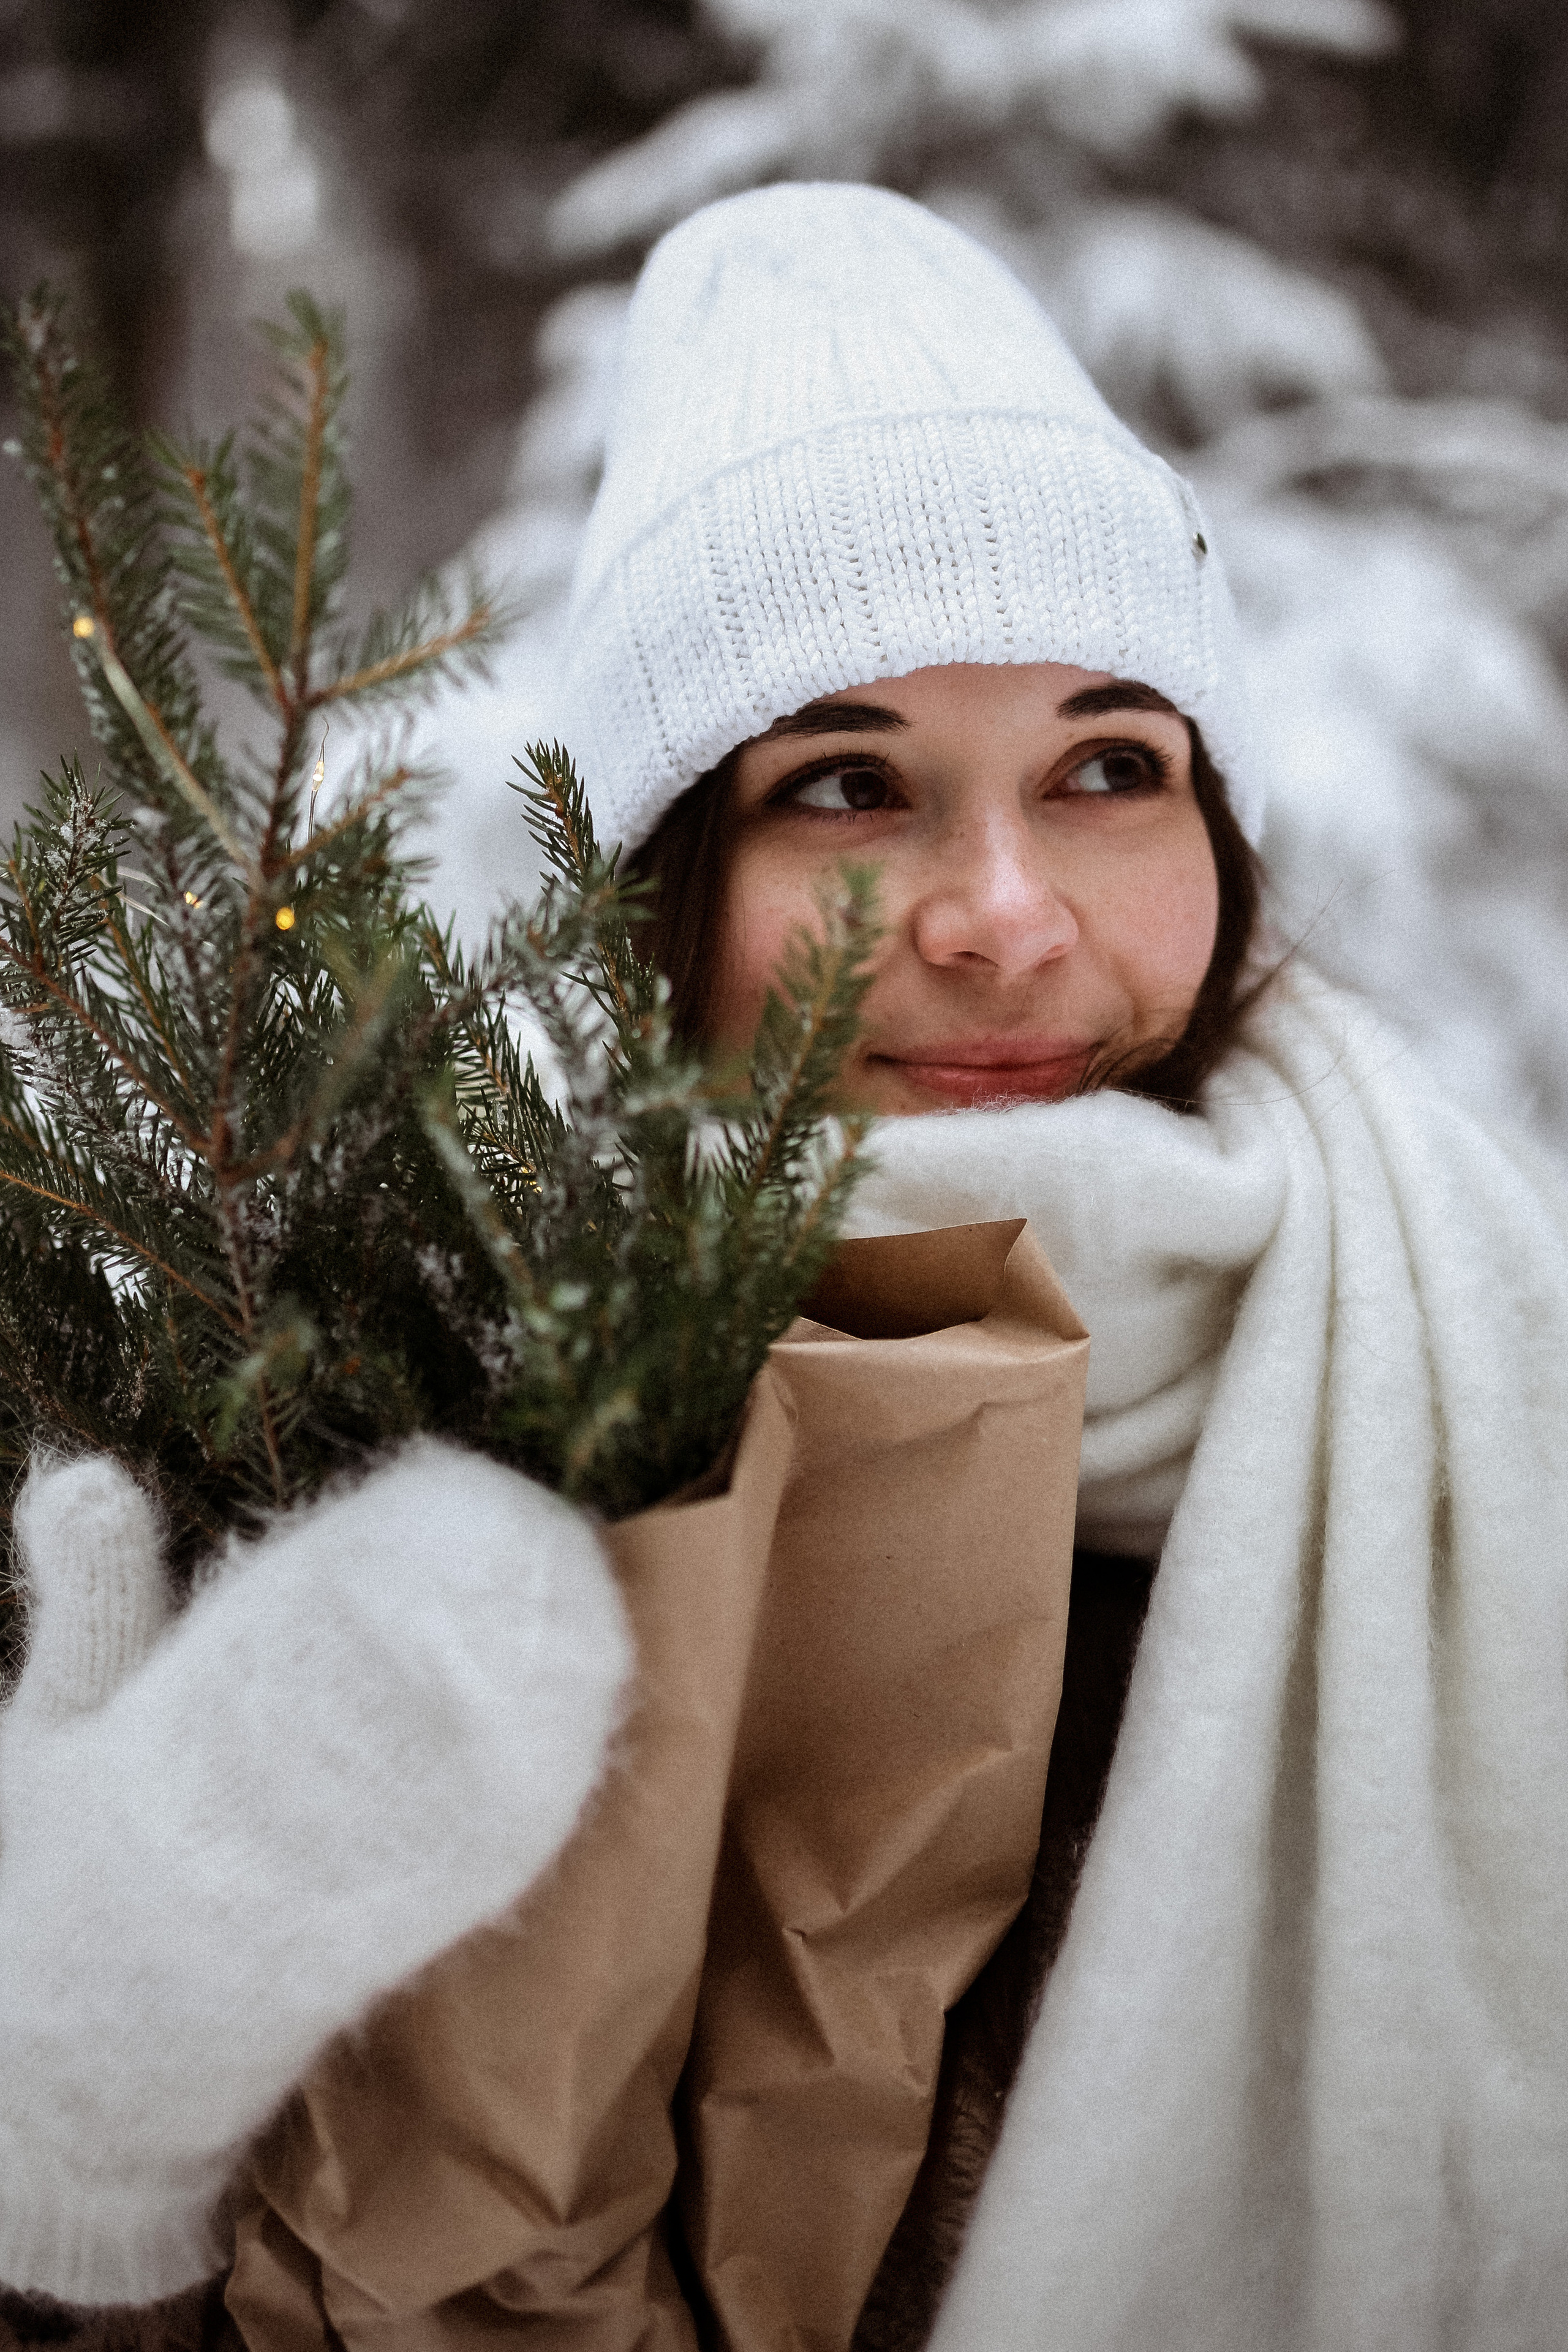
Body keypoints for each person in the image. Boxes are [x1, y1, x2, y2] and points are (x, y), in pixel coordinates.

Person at [5, 179, 1568, 2352]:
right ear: (657, 889)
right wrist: (74, 2160)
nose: (1002, 915)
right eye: (849, 785)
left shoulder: (1488, 1381)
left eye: (1110, 765)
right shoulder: (391, 1408)